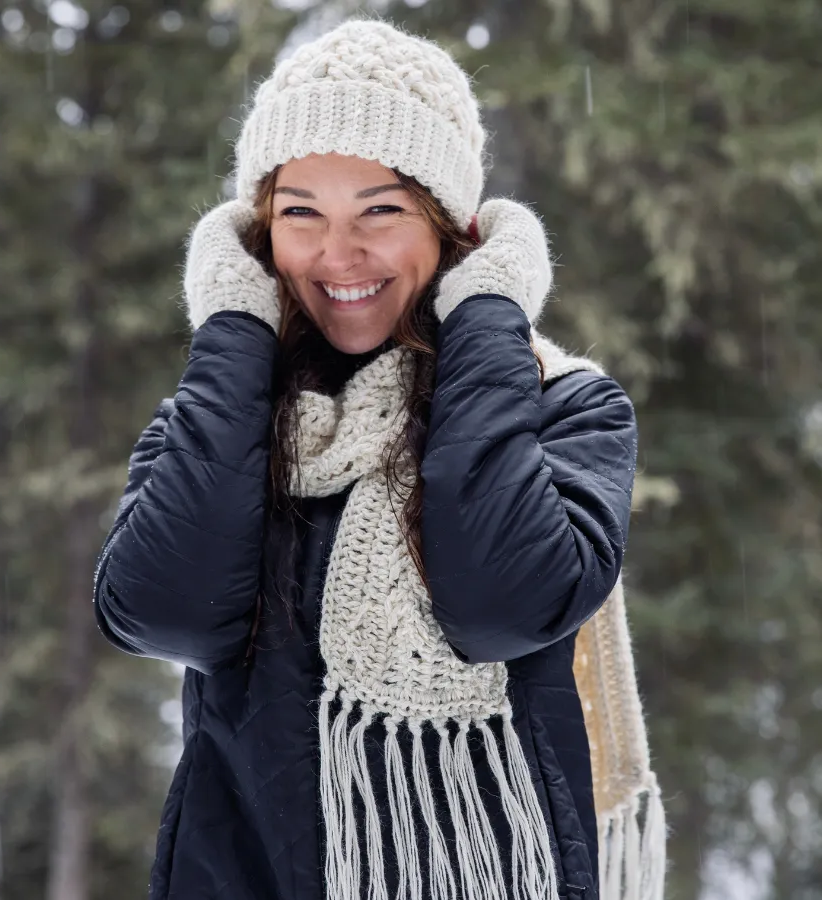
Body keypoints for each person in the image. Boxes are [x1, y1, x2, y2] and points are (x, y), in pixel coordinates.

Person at [94, 18, 661, 900]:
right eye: (299, 214)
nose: (336, 254)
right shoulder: (220, 411)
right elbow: (167, 612)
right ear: (256, 237)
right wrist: (236, 329)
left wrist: (484, 318)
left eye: (382, 211)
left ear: (453, 225)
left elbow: (502, 607)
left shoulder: (566, 405)